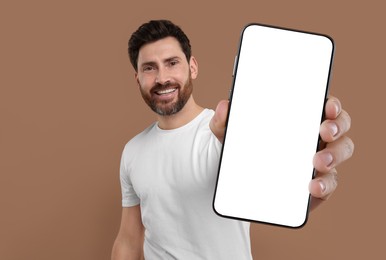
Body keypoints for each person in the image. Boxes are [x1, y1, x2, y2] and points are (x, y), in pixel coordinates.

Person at [111, 20, 354, 260]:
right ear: (138, 79)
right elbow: (128, 240)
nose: (162, 78)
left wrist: (306, 184)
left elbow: (273, 187)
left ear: (192, 67)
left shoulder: (230, 132)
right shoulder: (133, 151)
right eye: (149, 68)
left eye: (172, 63)